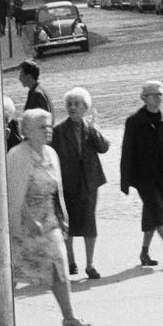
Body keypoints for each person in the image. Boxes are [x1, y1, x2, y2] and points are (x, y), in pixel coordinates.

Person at [6, 109, 90, 326]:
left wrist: (62, 216)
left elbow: (57, 190)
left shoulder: (51, 153)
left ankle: (69, 316)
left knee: (59, 266)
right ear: (28, 131)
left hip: (49, 223)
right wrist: (25, 221)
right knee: (13, 272)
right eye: (43, 127)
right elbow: (13, 194)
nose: (49, 130)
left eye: (50, 125)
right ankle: (2, 320)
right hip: (25, 226)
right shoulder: (18, 155)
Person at [119, 79, 163, 268]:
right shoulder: (134, 122)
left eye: (160, 94)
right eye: (154, 95)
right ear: (144, 98)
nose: (158, 98)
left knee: (153, 215)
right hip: (144, 178)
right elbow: (127, 151)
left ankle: (144, 253)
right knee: (158, 213)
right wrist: (125, 181)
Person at [52, 87, 109, 280]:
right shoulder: (59, 131)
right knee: (68, 223)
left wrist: (94, 128)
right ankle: (71, 260)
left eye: (76, 104)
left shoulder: (89, 128)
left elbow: (104, 148)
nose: (72, 107)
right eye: (69, 104)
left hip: (89, 182)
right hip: (67, 183)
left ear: (85, 107)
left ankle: (90, 264)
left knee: (89, 223)